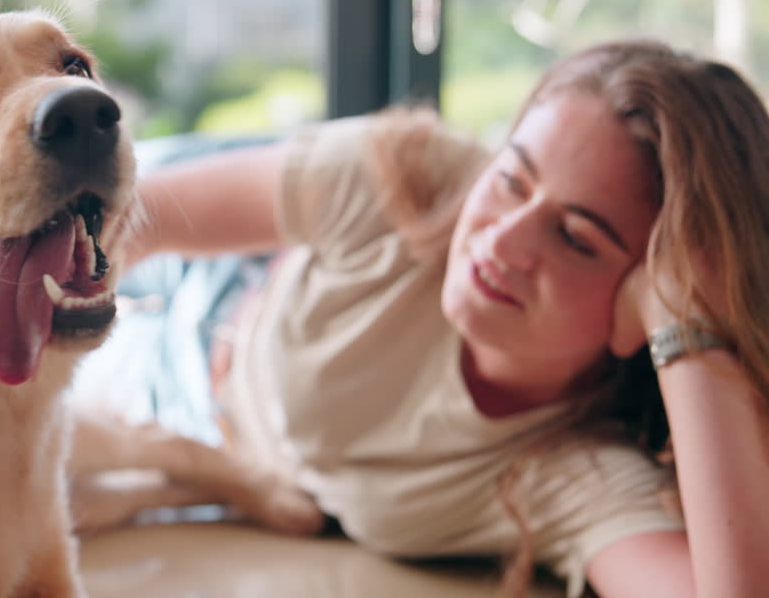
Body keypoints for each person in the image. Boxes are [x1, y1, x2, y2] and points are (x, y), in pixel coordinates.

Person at [105, 40, 769, 598]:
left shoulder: (570, 470)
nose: (502, 242)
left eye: (574, 236)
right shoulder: (403, 175)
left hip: (197, 433)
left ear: (645, 308)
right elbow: (136, 220)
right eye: (511, 178)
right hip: (224, 284)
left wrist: (691, 321)